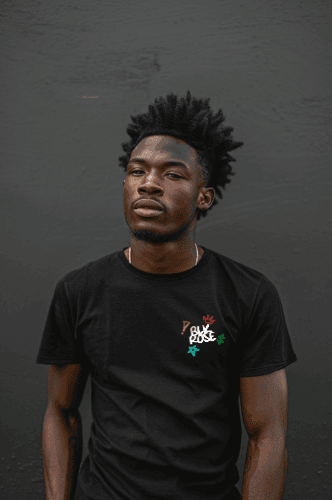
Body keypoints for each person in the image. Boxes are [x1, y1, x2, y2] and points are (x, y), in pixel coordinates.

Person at [36, 90, 297, 500]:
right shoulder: (79, 290)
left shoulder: (249, 294)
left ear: (203, 197)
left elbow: (268, 432)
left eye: (173, 175)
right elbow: (60, 412)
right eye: (137, 171)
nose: (150, 184)